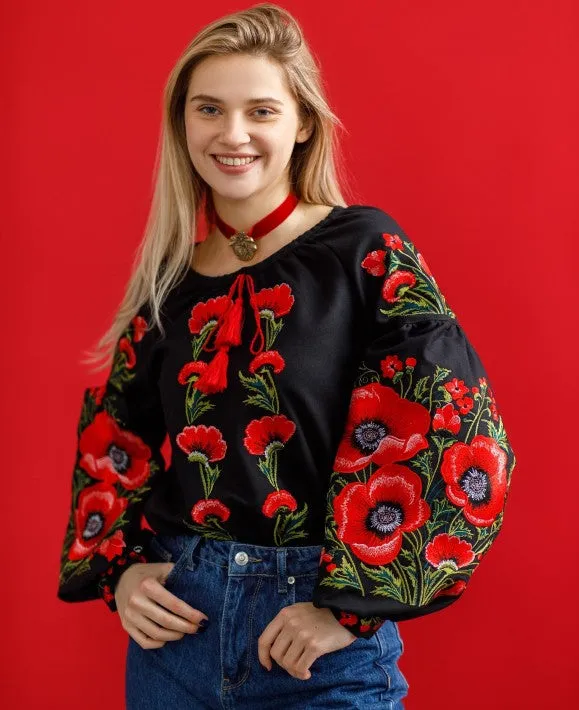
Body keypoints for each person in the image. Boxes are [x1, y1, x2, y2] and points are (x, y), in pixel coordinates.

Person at [57, 3, 517, 708]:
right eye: (209, 109)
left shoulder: (362, 250)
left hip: (315, 647)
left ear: (302, 123)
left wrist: (352, 608)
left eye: (260, 111)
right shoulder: (170, 283)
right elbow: (115, 438)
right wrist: (119, 571)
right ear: (183, 124)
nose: (232, 134)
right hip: (178, 639)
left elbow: (459, 425)